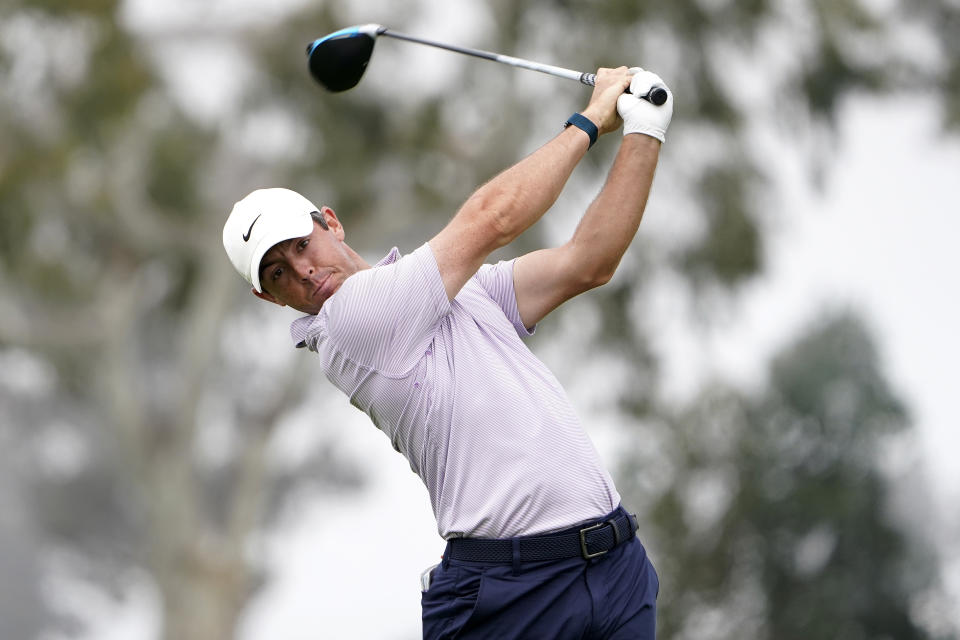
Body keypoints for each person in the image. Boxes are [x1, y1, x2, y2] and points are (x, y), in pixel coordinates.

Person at [222, 66, 673, 639]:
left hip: (614, 565)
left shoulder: (458, 295)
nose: (304, 272)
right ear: (271, 298)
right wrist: (590, 118)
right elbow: (493, 218)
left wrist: (644, 130)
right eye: (279, 273)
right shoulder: (353, 322)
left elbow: (589, 261)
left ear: (329, 222)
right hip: (508, 599)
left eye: (300, 245)